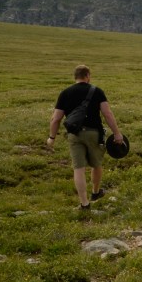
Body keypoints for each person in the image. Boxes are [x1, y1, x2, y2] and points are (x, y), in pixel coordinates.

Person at [47, 65, 125, 209]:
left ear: (75, 76)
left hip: (74, 134)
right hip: (93, 133)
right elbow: (107, 114)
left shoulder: (65, 93)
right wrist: (117, 133)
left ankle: (84, 203)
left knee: (78, 168)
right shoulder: (97, 91)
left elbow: (55, 119)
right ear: (87, 75)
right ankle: (95, 192)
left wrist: (52, 137)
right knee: (96, 164)